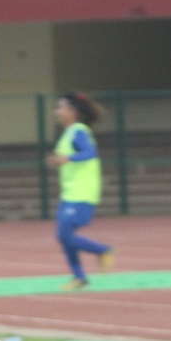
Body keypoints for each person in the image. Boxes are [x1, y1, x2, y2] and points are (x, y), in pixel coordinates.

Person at [46, 93, 112, 290]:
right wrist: (58, 160)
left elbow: (90, 152)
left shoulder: (79, 131)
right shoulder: (68, 134)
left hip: (82, 192)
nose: (56, 112)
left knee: (65, 235)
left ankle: (103, 251)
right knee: (63, 236)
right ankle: (79, 276)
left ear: (72, 112)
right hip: (69, 193)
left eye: (60, 108)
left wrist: (67, 159)